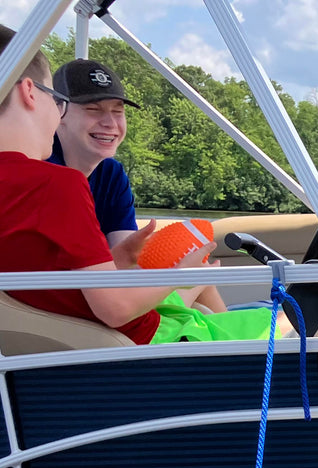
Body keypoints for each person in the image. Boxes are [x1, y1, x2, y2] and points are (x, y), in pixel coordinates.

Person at [0, 27, 271, 345]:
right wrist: (182, 275)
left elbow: (48, 283)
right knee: (296, 321)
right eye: (57, 100)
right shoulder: (56, 185)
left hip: (58, 348)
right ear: (29, 92)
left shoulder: (50, 183)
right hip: (145, 349)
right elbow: (116, 310)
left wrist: (117, 259)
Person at [50, 56, 227, 313]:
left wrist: (149, 257)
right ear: (58, 111)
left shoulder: (111, 173)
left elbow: (123, 264)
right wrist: (177, 276)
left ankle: (241, 343)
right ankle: (249, 345)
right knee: (199, 282)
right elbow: (102, 291)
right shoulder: (47, 178)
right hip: (76, 309)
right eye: (94, 109)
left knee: (199, 283)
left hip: (98, 297)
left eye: (118, 111)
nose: (110, 123)